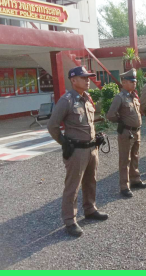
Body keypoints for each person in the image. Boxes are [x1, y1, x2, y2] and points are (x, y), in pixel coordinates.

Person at [47, 65, 108, 237]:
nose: (88, 81)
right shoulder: (66, 100)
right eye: (84, 78)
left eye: (88, 77)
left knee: (91, 181)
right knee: (72, 186)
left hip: (91, 148)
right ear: (73, 80)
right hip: (76, 151)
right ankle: (70, 220)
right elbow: (52, 125)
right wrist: (64, 142)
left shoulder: (87, 98)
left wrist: (96, 137)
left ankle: (90, 209)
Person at [106, 69, 146, 197]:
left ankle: (135, 179)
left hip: (136, 131)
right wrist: (121, 122)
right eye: (131, 81)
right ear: (124, 82)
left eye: (134, 81)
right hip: (126, 132)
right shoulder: (120, 97)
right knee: (125, 159)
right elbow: (110, 115)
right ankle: (124, 186)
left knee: (135, 156)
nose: (134, 83)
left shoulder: (133, 96)